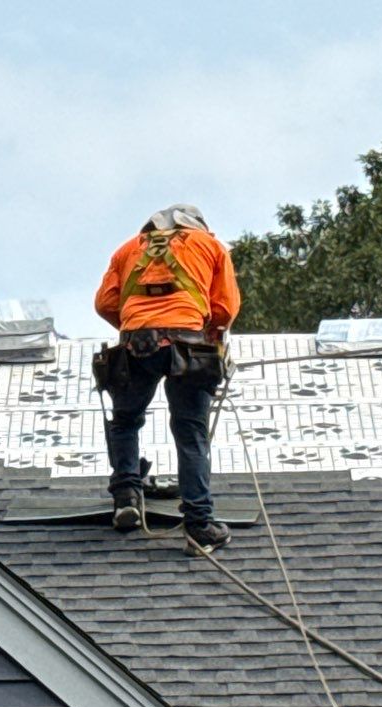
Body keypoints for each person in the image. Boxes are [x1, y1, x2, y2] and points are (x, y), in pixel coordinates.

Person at [94, 204, 241, 553]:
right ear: (196, 225)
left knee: (125, 420)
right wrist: (207, 331)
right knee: (190, 432)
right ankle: (199, 525)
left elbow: (105, 302)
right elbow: (225, 308)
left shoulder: (127, 249)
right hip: (189, 343)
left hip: (136, 343)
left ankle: (127, 495)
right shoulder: (210, 245)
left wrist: (137, 327)